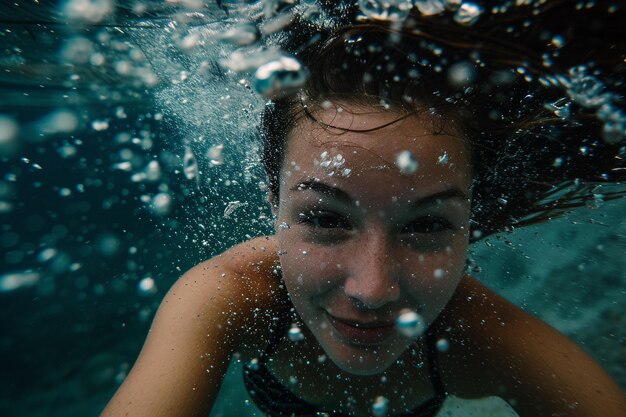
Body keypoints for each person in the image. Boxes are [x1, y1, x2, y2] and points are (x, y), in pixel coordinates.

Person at [100, 4, 626, 417]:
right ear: (273, 201)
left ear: (470, 224)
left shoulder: (487, 341)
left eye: (427, 225)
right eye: (325, 219)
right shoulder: (229, 296)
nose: (371, 291)